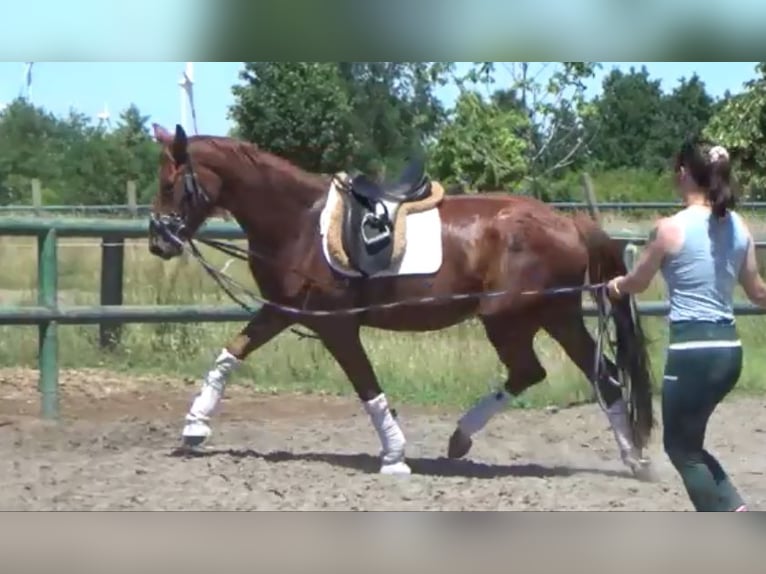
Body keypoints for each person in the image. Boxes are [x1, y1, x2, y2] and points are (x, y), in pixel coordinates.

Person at [606, 137, 766, 512]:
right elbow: (758, 292)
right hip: (729, 353)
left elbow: (638, 283)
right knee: (690, 447)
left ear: (683, 174)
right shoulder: (739, 225)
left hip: (691, 354)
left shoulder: (669, 228)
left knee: (680, 450)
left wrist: (616, 286)